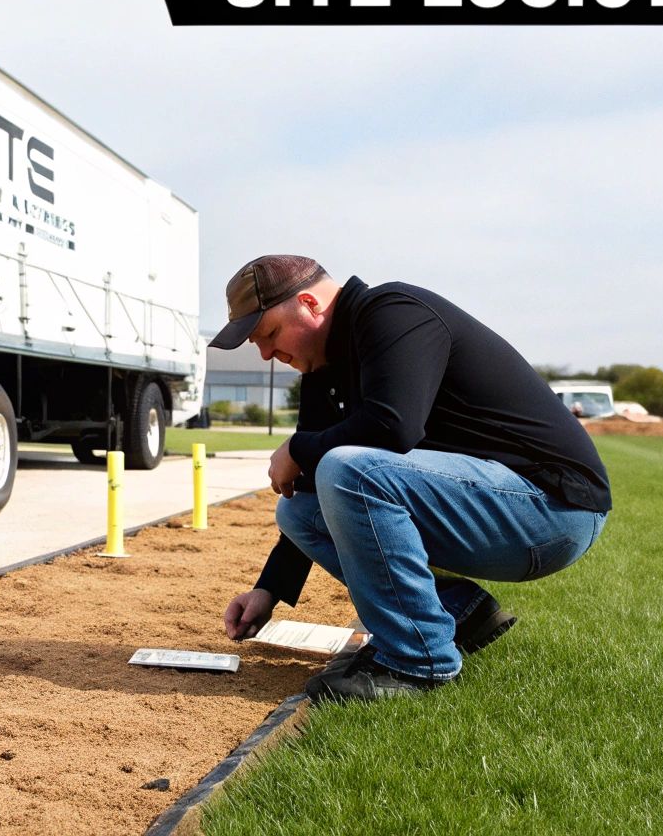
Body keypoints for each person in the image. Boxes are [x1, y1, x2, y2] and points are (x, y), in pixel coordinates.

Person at [213, 255, 611, 701]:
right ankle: (457, 611)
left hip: (554, 509)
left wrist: (297, 448)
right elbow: (307, 486)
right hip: (499, 508)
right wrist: (269, 589)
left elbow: (393, 427)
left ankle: (417, 661)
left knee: (349, 469)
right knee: (297, 509)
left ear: (309, 303)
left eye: (268, 334)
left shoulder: (392, 312)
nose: (266, 354)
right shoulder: (324, 369)